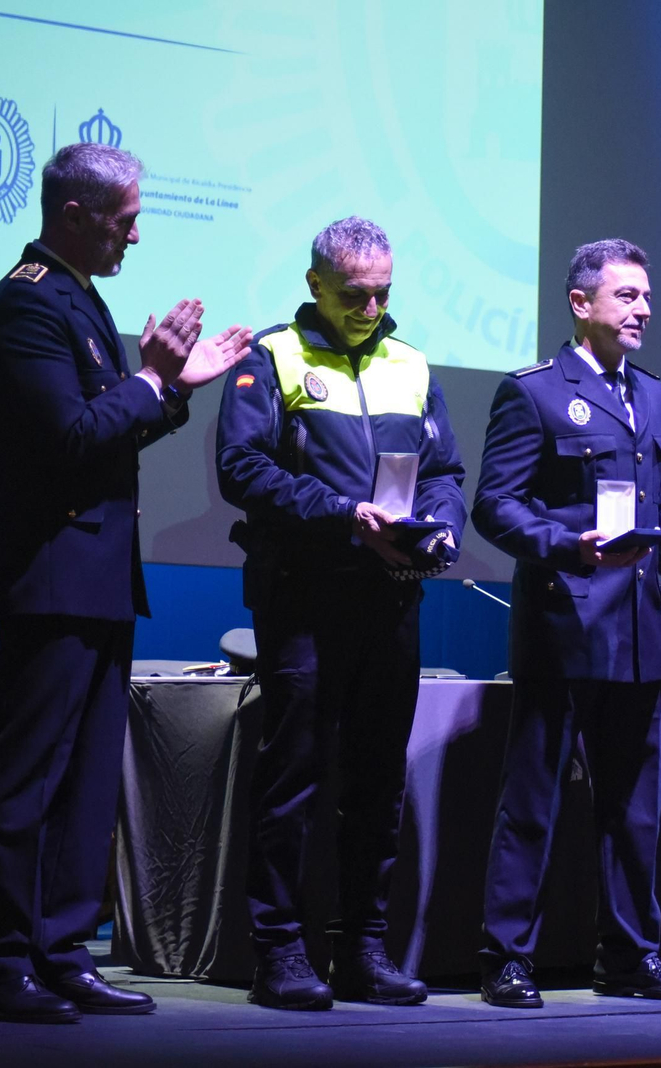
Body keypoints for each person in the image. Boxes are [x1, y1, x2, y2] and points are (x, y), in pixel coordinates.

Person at [0, 142, 251, 1023]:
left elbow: (106, 429)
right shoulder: (26, 306)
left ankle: (61, 951)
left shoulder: (82, 301)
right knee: (25, 781)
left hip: (94, 576)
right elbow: (68, 441)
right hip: (49, 575)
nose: (135, 234)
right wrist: (156, 379)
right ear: (75, 215)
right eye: (125, 219)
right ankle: (0, 962)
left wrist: (169, 391)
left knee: (86, 781)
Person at [217, 217, 466, 1010]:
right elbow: (241, 468)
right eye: (354, 292)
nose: (370, 305)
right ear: (315, 285)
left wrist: (440, 527)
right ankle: (280, 953)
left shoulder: (412, 363)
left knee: (377, 780)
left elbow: (447, 470)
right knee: (293, 778)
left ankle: (362, 948)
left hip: (390, 596)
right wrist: (340, 511)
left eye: (383, 291)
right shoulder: (273, 356)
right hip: (303, 596)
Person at [473, 238, 661, 1008]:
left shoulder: (657, 395)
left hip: (641, 628)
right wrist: (563, 545)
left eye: (645, 296)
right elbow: (494, 505)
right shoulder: (533, 391)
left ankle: (632, 956)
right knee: (532, 801)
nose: (642, 310)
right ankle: (506, 957)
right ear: (581, 303)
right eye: (626, 296)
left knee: (637, 809)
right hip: (564, 623)